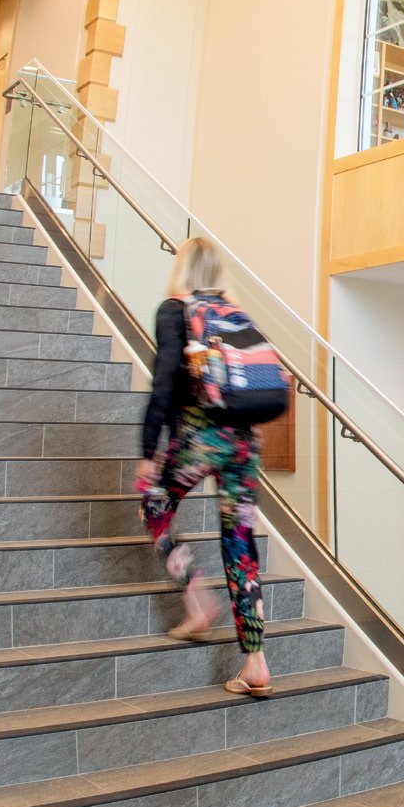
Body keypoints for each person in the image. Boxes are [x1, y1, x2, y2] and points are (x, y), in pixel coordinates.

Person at [136, 237, 271, 697]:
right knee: (240, 543)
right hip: (244, 444)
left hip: (199, 439)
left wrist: (148, 453)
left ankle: (196, 597)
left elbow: (164, 386)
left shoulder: (175, 310)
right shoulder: (237, 315)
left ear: (184, 268)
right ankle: (255, 661)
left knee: (154, 506)